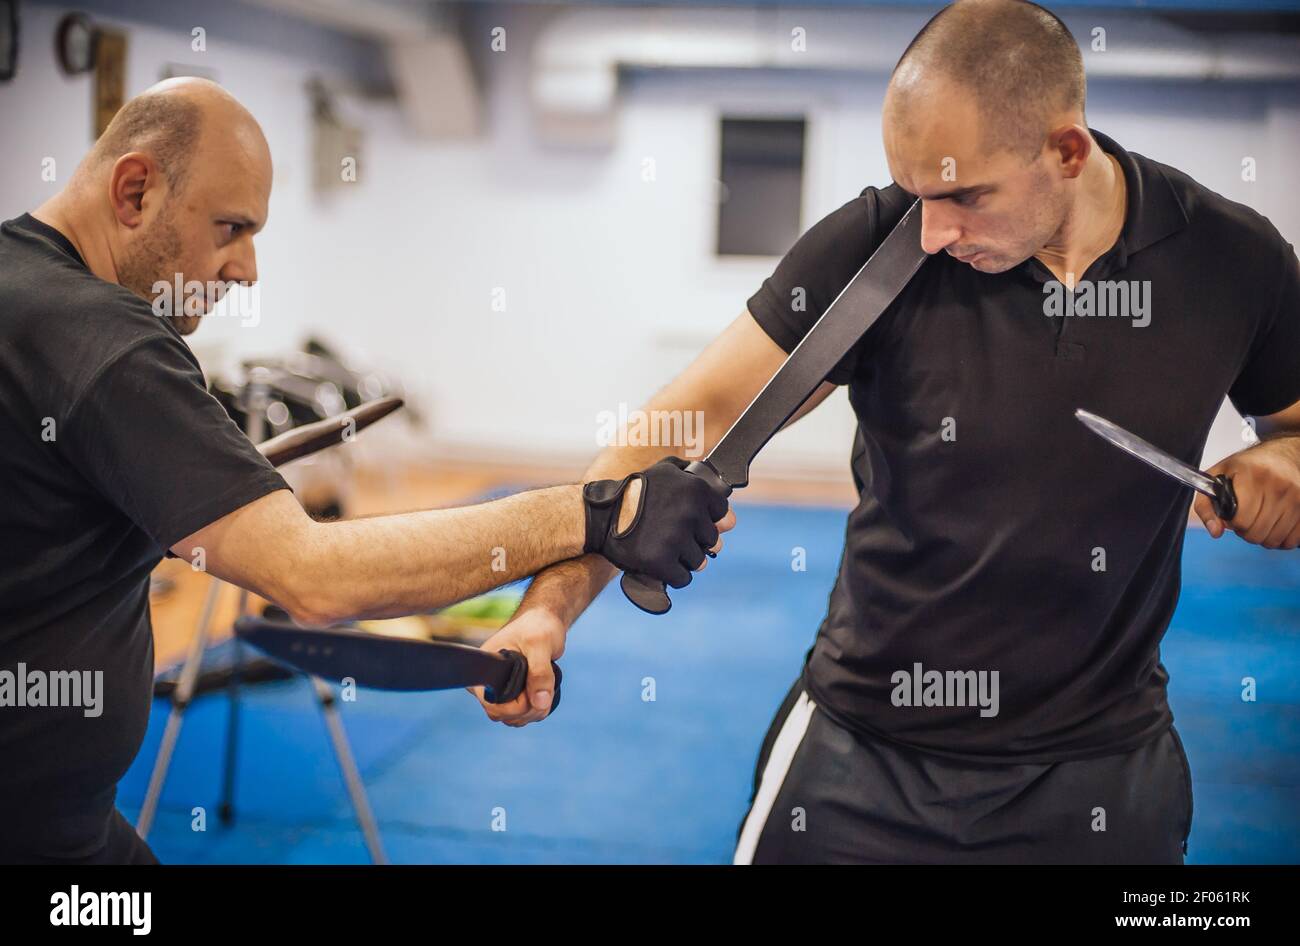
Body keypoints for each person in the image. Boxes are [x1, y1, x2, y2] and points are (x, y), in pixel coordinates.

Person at [472, 0, 1300, 863]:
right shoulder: (880, 245)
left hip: (1100, 772)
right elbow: (677, 424)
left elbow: (1296, 431)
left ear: (1066, 151)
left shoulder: (1234, 261)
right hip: (864, 755)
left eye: (964, 196)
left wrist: (1285, 462)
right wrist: (547, 613)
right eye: (916, 193)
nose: (933, 231)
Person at [0, 78, 734, 864]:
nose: (246, 269)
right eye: (231, 227)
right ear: (135, 189)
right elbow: (314, 578)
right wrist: (597, 514)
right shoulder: (108, 345)